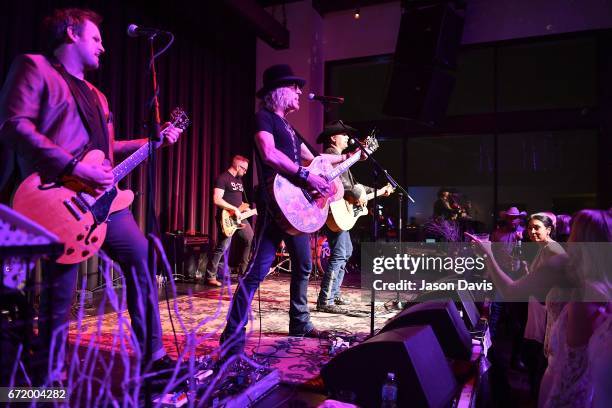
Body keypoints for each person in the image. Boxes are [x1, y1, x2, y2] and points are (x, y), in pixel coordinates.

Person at [0, 8, 183, 381]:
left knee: (143, 264)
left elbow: (108, 147)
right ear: (71, 33)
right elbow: (13, 124)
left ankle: (154, 355)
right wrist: (73, 166)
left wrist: (153, 140)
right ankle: (48, 380)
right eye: (96, 38)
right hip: (59, 195)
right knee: (58, 295)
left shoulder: (98, 95)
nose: (103, 47)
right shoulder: (35, 67)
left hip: (109, 203)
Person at [219, 64, 351, 356]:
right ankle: (231, 334)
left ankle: (299, 322)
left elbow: (315, 160)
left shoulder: (290, 128)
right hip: (274, 205)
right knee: (256, 272)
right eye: (294, 89)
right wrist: (304, 176)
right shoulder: (263, 118)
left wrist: (350, 156)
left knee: (304, 263)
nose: (300, 94)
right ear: (278, 92)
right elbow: (268, 153)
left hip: (295, 210)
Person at [466, 212, 570, 400]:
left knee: (541, 377)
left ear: (549, 229)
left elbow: (513, 290)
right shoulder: (544, 249)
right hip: (544, 320)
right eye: (530, 227)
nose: (531, 231)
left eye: (536, 227)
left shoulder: (554, 252)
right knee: (534, 369)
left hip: (552, 325)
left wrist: (488, 254)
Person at [315, 120, 390, 313]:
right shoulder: (331, 156)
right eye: (345, 134)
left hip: (341, 213)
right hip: (334, 212)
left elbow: (354, 185)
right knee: (340, 253)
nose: (349, 138)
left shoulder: (341, 158)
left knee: (346, 251)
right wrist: (357, 194)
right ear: (333, 138)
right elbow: (342, 187)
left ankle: (335, 294)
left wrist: (378, 190)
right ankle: (326, 299)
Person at [205, 155, 253, 286]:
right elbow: (217, 199)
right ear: (238, 166)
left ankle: (243, 274)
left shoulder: (239, 181)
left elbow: (237, 200)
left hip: (239, 216)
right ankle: (210, 276)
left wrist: (244, 208)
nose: (245, 172)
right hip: (227, 218)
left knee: (249, 238)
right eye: (244, 169)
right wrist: (234, 209)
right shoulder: (222, 178)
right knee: (223, 246)